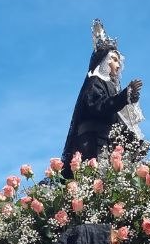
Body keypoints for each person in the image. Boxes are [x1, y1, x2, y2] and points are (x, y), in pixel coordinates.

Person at [61, 19, 143, 170]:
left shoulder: (111, 85)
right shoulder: (94, 81)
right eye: (114, 59)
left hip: (107, 141)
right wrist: (123, 97)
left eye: (119, 61)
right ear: (105, 60)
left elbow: (116, 114)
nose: (118, 64)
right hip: (93, 143)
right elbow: (98, 106)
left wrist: (129, 99)